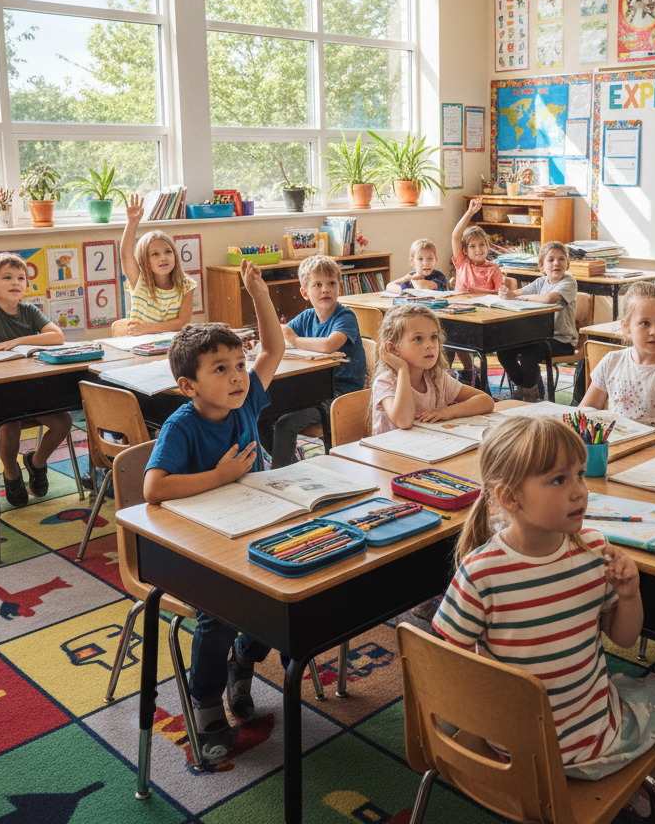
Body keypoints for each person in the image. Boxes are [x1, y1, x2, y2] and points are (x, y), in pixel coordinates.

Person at [433, 417, 655, 823]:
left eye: (580, 475)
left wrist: (628, 595)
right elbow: (626, 641)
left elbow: (451, 669)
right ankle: (650, 805)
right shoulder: (591, 550)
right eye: (558, 480)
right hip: (591, 742)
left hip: (509, 749)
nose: (579, 491)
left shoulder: (481, 569)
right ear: (509, 497)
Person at [143, 261, 285, 762]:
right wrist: (219, 477)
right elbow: (154, 488)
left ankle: (244, 659)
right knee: (218, 615)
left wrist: (258, 293)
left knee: (285, 597)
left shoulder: (246, 403)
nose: (236, 376)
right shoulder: (182, 425)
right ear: (189, 386)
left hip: (252, 524)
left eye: (238, 365)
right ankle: (204, 698)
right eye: (220, 369)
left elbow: (274, 348)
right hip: (199, 544)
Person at [0, 206, 73, 508]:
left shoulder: (29, 311)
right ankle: (11, 474)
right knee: (7, 425)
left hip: (30, 390)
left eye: (20, 278)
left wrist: (17, 341)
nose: (15, 282)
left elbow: (57, 336)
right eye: (7, 277)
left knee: (63, 420)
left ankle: (35, 462)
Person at [259, 255, 365, 467]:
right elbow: (279, 336)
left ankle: (283, 475)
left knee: (284, 425)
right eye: (317, 284)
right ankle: (289, 465)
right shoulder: (307, 317)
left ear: (340, 288)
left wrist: (294, 339)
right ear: (305, 293)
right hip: (311, 393)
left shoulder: (346, 316)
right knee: (263, 416)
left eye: (331, 283)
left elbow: (329, 345)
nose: (325, 289)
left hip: (340, 395)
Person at [581, 282, 655, 430]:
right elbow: (587, 410)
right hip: (616, 445)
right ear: (626, 326)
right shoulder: (611, 361)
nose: (654, 331)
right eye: (645, 323)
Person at [371, 304, 493, 434]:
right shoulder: (385, 382)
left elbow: (486, 401)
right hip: (391, 452)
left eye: (433, 337)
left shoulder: (436, 378)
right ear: (393, 349)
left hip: (428, 448)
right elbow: (404, 421)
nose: (430, 345)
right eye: (418, 338)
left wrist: (448, 411)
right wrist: (402, 370)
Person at [496, 240, 577, 402]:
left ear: (567, 264)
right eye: (551, 260)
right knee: (503, 350)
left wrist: (521, 297)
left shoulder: (569, 282)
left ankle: (530, 394)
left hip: (562, 340)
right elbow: (517, 292)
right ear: (542, 266)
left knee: (529, 354)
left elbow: (549, 298)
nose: (557, 263)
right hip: (540, 339)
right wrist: (507, 293)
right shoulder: (541, 282)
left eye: (561, 259)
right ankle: (528, 388)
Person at [120, 193, 195, 336]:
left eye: (168, 252)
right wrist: (132, 222)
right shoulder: (140, 281)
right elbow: (126, 256)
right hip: (139, 344)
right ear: (144, 260)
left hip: (171, 346)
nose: (163, 258)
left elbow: (182, 322)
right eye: (155, 254)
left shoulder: (187, 285)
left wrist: (147, 328)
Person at [450, 197, 503, 384]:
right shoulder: (462, 263)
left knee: (464, 337)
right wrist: (470, 212)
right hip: (459, 313)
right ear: (465, 250)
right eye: (472, 246)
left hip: (483, 316)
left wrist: (476, 291)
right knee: (450, 337)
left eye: (482, 245)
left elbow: (500, 294)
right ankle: (467, 370)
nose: (478, 249)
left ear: (488, 247)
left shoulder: (493, 269)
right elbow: (456, 236)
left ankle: (473, 374)